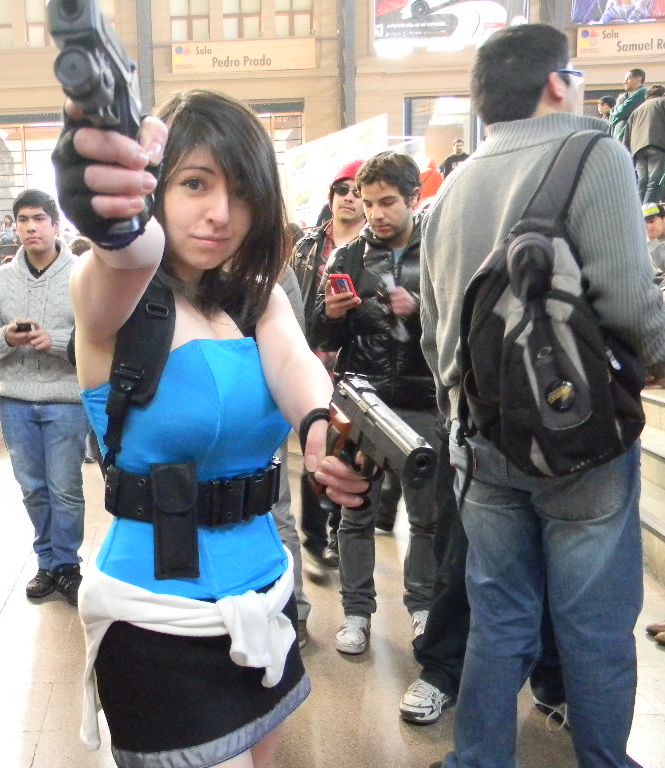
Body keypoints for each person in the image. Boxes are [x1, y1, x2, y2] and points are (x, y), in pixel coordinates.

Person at [52, 88, 364, 768]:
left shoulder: (256, 293)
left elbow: (294, 363)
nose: (221, 213)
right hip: (155, 614)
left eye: (241, 192)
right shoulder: (113, 296)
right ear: (157, 186)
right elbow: (127, 256)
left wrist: (321, 429)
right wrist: (111, 211)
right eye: (195, 183)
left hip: (267, 593)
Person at [419, 24, 665, 768]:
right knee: (593, 623)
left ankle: (478, 759)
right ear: (558, 82)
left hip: (480, 436)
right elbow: (630, 301)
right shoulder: (594, 152)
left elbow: (435, 328)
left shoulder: (452, 187)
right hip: (578, 436)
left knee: (499, 616)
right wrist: (659, 359)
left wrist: (464, 415)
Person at [309, 151, 440, 657]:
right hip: (362, 402)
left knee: (427, 518)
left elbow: (465, 322)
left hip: (423, 400)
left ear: (414, 198)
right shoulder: (348, 257)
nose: (376, 213)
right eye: (368, 204)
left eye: (387, 202)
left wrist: (422, 311)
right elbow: (320, 338)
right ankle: (357, 612)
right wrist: (330, 313)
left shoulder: (439, 249)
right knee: (356, 513)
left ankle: (423, 608)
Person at [0, 190, 87, 606]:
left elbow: (101, 338)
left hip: (66, 400)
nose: (31, 227)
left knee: (65, 489)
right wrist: (6, 336)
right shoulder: (0, 280)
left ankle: (68, 564)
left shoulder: (83, 274)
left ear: (56, 225)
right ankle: (46, 562)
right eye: (23, 220)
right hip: (15, 400)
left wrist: (53, 340)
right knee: (33, 489)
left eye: (39, 219)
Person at [293, 160, 365, 575]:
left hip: (356, 368)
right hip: (311, 363)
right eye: (342, 190)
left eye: (356, 191)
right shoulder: (307, 247)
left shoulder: (372, 249)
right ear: (331, 197)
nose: (349, 198)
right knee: (316, 448)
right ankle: (316, 540)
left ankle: (339, 531)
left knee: (350, 454)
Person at [626, 85, 665, 202]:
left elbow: (626, 137)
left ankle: (640, 210)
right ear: (663, 94)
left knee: (642, 183)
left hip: (637, 150)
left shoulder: (636, 111)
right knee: (655, 182)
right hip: (658, 145)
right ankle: (649, 211)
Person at [610, 68, 648, 145]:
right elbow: (612, 118)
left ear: (638, 79)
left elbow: (623, 111)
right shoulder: (627, 95)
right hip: (621, 139)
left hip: (630, 139)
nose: (624, 82)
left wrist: (613, 112)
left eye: (628, 79)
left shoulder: (642, 92)